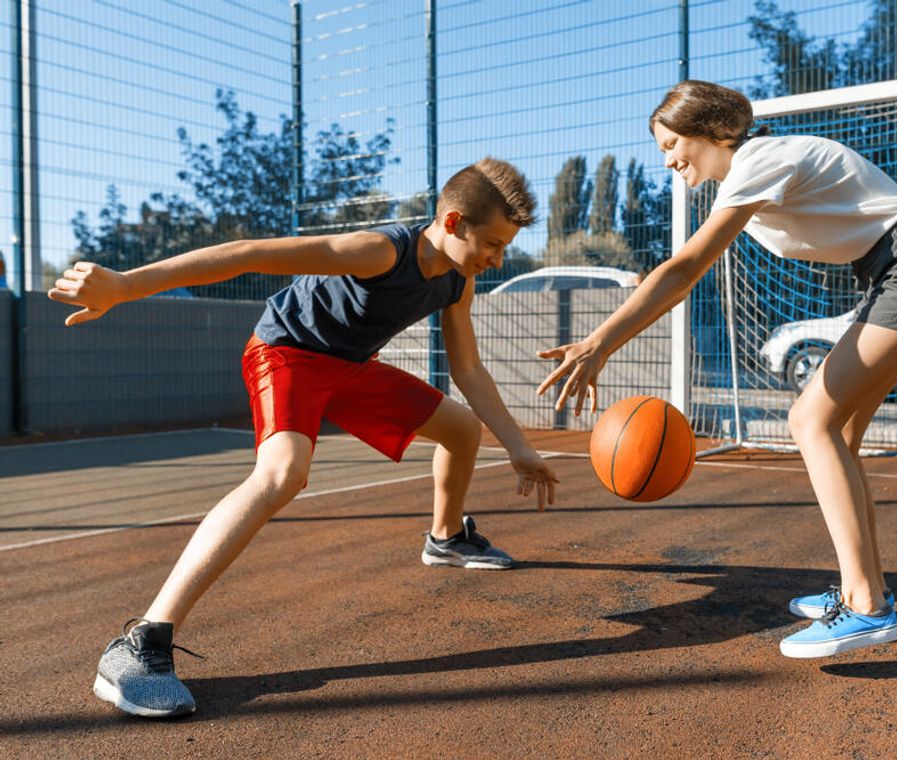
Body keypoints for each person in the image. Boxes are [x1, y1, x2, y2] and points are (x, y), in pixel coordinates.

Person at [49, 157, 559, 717]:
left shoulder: (457, 281)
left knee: (462, 428)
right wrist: (127, 285)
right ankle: (141, 643)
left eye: (504, 248)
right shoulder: (379, 250)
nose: (497, 259)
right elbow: (247, 252)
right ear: (455, 221)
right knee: (283, 473)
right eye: (492, 244)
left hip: (350, 366)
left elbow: (469, 370)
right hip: (286, 353)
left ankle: (445, 538)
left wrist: (518, 447)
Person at [537, 80, 897, 659]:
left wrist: (598, 342)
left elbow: (686, 265)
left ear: (712, 132)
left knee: (808, 421)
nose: (668, 161)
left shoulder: (757, 159)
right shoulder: (750, 175)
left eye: (672, 145)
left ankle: (865, 608)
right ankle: (866, 590)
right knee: (836, 433)